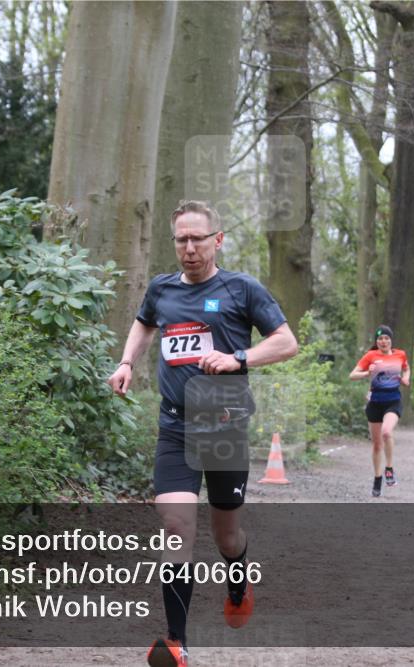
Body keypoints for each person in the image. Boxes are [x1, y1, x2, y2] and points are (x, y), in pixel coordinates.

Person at [107, 201, 298, 667]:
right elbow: (144, 322)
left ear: (218, 240)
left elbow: (286, 342)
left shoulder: (241, 288)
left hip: (224, 428)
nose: (189, 248)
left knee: (226, 536)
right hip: (175, 427)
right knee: (176, 528)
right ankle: (177, 643)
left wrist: (239, 358)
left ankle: (238, 579)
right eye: (181, 240)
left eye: (198, 239)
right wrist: (127, 361)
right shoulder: (162, 288)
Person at [349, 326, 410, 497]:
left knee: (387, 432)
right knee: (376, 445)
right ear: (377, 342)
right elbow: (352, 375)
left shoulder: (400, 354)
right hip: (375, 403)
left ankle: (389, 468)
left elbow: (406, 368)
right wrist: (366, 373)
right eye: (380, 339)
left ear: (391, 340)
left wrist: (406, 378)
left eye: (386, 338)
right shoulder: (371, 356)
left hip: (393, 401)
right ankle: (377, 479)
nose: (383, 341)